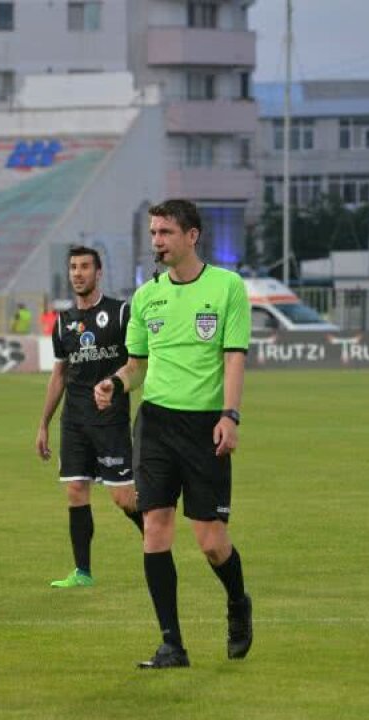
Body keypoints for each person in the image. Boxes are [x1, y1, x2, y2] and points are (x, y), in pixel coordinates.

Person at [94, 199, 253, 669]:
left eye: (165, 233)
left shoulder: (227, 288)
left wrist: (230, 415)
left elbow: (234, 357)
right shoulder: (146, 298)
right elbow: (137, 365)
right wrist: (115, 383)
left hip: (205, 426)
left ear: (192, 236)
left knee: (211, 542)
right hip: (157, 424)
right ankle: (172, 645)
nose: (157, 242)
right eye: (153, 233)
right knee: (155, 530)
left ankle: (238, 602)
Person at [37, 246, 144, 588]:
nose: (78, 273)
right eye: (73, 267)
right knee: (76, 491)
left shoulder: (121, 313)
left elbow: (137, 363)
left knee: (123, 499)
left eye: (85, 267)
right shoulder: (63, 322)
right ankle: (82, 572)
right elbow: (59, 375)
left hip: (110, 421)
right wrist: (43, 423)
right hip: (74, 421)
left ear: (99, 273)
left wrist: (117, 386)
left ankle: (156, 539)